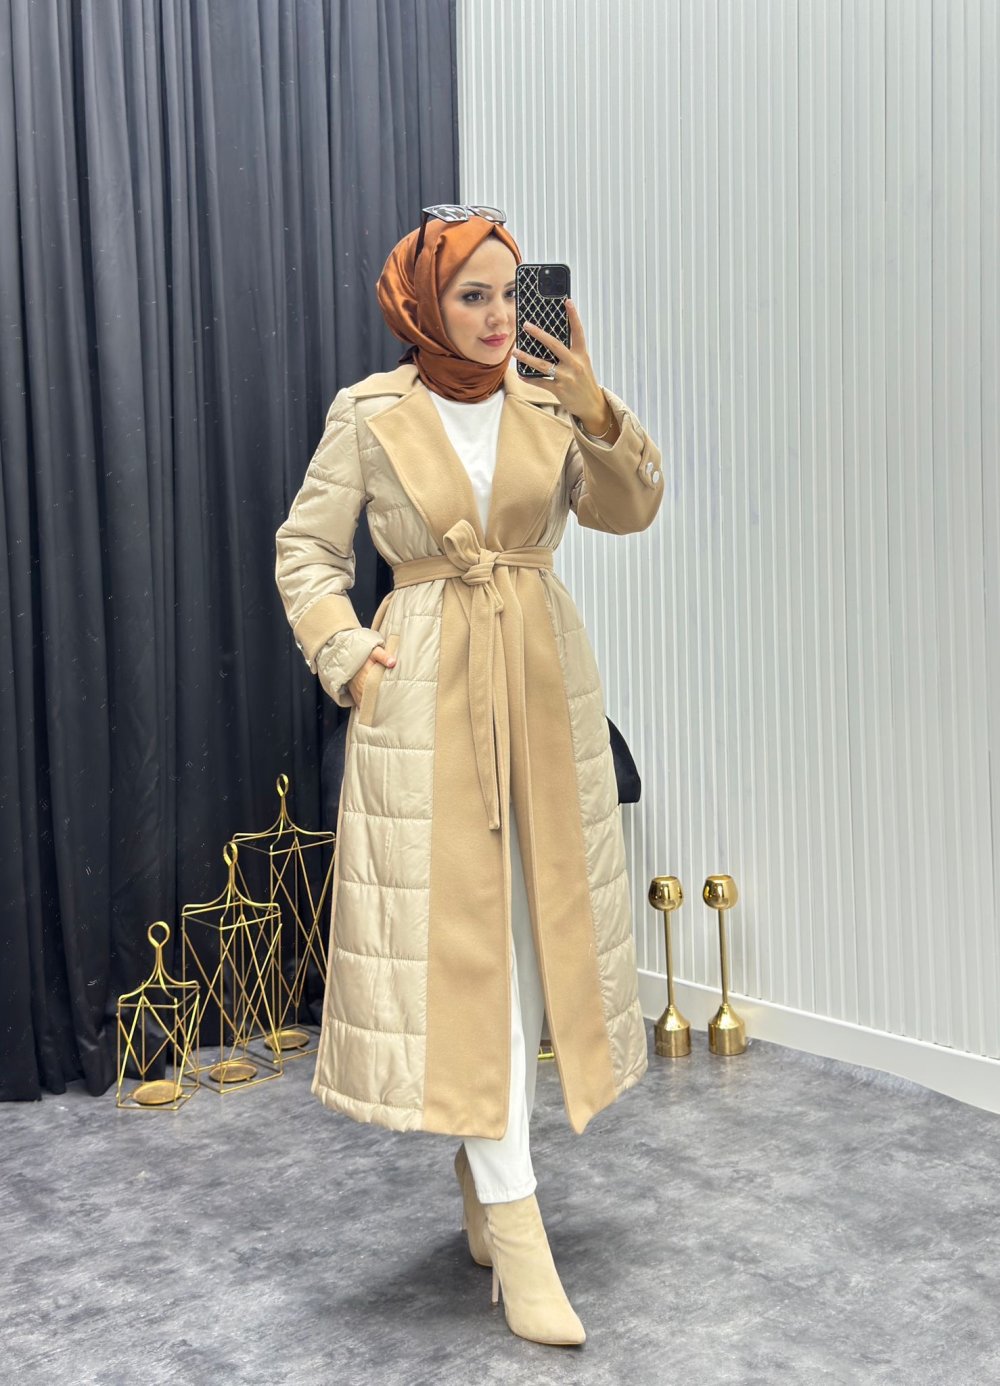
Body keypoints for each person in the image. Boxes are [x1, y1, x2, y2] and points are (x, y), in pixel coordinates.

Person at [274, 205, 664, 1347]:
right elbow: (307, 550)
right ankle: (519, 1223)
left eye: (508, 292)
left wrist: (596, 407)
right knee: (468, 950)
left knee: (537, 946)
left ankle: (487, 1173)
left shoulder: (550, 403)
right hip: (427, 695)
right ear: (423, 305)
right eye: (472, 296)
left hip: (541, 684)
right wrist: (348, 656)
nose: (498, 317)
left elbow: (632, 509)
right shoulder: (369, 412)